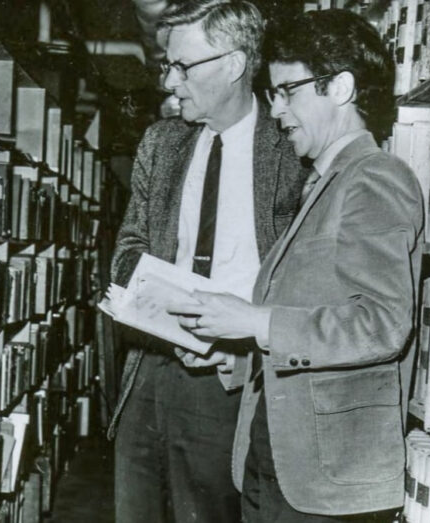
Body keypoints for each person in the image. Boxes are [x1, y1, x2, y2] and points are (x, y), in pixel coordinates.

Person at [168, 9, 424, 521]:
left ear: (342, 88)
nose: (278, 110)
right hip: (278, 460)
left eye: (289, 91)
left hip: (327, 478)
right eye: (273, 94)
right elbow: (310, 315)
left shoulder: (374, 178)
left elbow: (381, 324)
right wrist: (239, 360)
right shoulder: (321, 182)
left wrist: (253, 321)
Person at [106, 1, 306, 522]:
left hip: (231, 377)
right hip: (150, 372)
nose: (169, 81)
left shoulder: (292, 151)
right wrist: (160, 301)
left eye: (182, 66)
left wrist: (239, 344)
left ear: (235, 64)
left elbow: (301, 280)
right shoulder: (161, 142)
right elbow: (127, 249)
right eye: (165, 65)